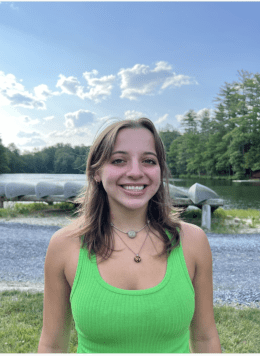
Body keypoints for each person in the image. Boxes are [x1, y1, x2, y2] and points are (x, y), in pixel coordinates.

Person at [38, 117, 222, 353]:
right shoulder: (64, 245)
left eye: (148, 160)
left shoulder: (194, 242)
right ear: (96, 172)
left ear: (160, 171)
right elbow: (52, 345)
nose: (136, 172)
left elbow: (206, 339)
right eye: (118, 160)